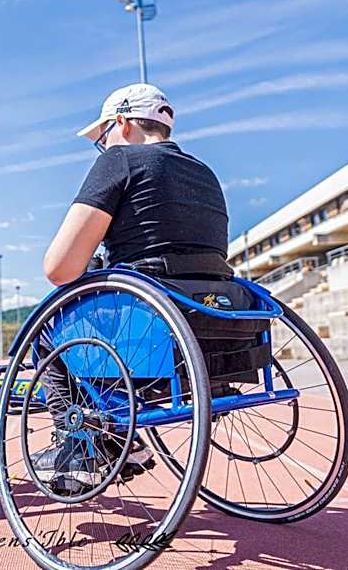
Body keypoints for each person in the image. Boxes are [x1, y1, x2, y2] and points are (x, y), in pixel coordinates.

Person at [34, 83, 229, 493]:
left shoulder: (120, 160)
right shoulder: (204, 172)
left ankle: (78, 444)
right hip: (213, 333)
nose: (103, 147)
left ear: (121, 122)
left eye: (102, 138)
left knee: (47, 327)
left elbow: (58, 267)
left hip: (148, 331)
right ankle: (122, 440)